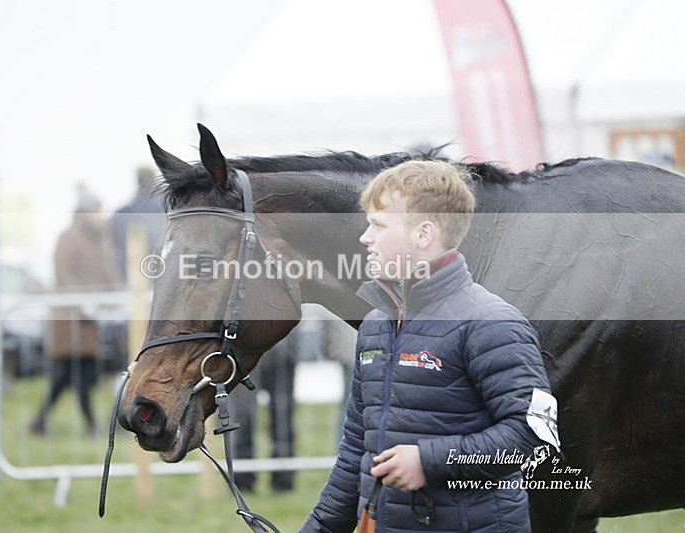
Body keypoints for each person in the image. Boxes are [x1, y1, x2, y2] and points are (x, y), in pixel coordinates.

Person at [301, 160, 559, 532]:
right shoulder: (375, 325)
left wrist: (429, 461)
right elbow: (357, 449)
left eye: (378, 225)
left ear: (424, 234)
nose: (365, 238)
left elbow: (533, 435)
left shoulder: (491, 322)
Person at [30, 185, 118, 436]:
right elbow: (64, 273)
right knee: (73, 374)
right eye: (95, 210)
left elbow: (108, 272)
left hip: (89, 320)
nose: (99, 215)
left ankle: (41, 421)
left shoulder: (101, 238)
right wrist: (83, 302)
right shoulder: (67, 237)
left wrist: (117, 294)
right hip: (68, 319)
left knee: (72, 375)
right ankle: (90, 424)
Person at [229, 329, 298, 492]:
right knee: (242, 418)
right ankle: (242, 479)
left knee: (282, 420)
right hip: (245, 353)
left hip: (282, 351)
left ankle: (283, 479)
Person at [110, 165, 166, 282]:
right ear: (154, 181)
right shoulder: (166, 208)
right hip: (161, 275)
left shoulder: (121, 214)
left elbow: (117, 249)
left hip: (130, 276)